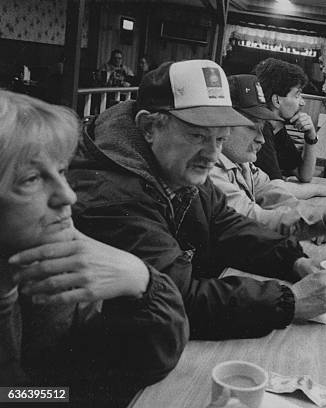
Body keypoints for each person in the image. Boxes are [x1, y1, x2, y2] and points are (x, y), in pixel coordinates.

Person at [68, 60, 326, 341]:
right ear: (149, 127)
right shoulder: (113, 194)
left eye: (220, 139)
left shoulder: (175, 165)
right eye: (198, 136)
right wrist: (290, 301)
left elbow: (227, 226)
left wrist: (293, 261)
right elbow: (179, 297)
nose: (213, 155)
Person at [0, 90, 188, 405]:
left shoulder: (39, 265)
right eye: (31, 179)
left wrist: (143, 281)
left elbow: (107, 374)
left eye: (61, 172)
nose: (68, 196)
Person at [210, 74, 326, 240]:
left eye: (261, 127)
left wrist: (319, 218)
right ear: (223, 123)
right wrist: (325, 214)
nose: (261, 138)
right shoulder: (211, 171)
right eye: (251, 127)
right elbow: (250, 218)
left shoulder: (242, 163)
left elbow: (275, 195)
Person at [253, 58, 318, 185]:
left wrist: (311, 137)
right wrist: (321, 190)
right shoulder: (261, 130)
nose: (302, 102)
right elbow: (276, 189)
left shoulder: (277, 128)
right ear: (277, 101)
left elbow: (304, 175)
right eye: (297, 95)